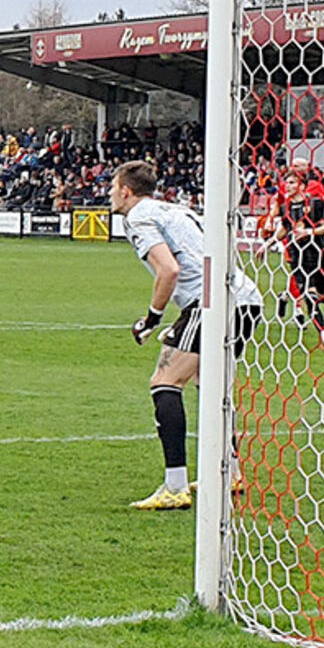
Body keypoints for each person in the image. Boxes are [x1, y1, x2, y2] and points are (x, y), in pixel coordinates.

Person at [109, 160, 263, 511]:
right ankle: (231, 472)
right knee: (206, 381)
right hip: (245, 298)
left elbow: (169, 270)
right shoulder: (174, 209)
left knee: (164, 381)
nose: (109, 194)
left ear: (126, 191)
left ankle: (175, 486)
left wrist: (152, 319)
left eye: (112, 187)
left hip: (212, 302)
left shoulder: (137, 217)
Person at [271, 158, 324, 353]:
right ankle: (320, 330)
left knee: (322, 296)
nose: (288, 184)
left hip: (317, 250)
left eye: (298, 167)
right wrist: (268, 239)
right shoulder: (285, 202)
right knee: (306, 290)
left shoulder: (315, 195)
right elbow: (282, 220)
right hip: (295, 250)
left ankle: (285, 297)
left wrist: (309, 231)